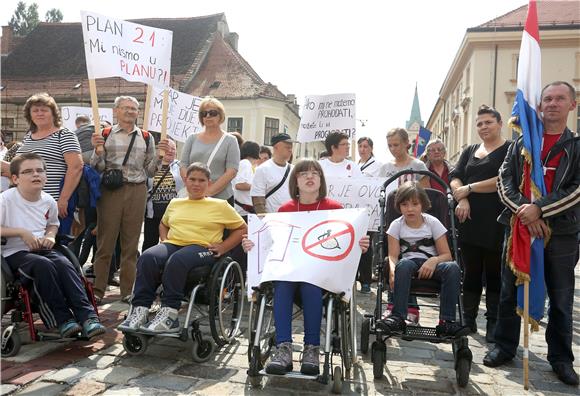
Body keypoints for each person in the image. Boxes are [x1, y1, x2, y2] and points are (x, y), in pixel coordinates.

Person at [484, 82, 579, 386]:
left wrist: (540, 210)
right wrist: (526, 211)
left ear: (572, 105)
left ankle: (561, 359)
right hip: (519, 229)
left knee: (562, 299)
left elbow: (576, 189)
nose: (552, 103)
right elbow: (504, 183)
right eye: (547, 99)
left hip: (562, 234)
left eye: (559, 98)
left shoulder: (576, 146)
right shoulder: (521, 143)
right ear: (539, 105)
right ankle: (504, 346)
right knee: (509, 291)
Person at [242, 159, 370, 375]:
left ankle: (312, 348)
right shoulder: (285, 210)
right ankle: (284, 348)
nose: (310, 177)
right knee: (282, 283)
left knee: (311, 283)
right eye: (303, 174)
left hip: (322, 276)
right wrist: (252, 244)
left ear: (321, 179)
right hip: (289, 272)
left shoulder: (335, 209)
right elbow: (271, 243)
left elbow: (343, 245)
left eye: (314, 173)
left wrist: (359, 245)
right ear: (295, 181)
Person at [119, 162, 246, 333]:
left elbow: (242, 228)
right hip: (174, 244)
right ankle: (140, 309)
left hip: (202, 248)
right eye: (192, 179)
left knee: (178, 260)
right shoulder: (175, 203)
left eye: (201, 180)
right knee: (148, 257)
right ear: (185, 181)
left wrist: (224, 246)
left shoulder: (220, 205)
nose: (196, 184)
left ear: (209, 183)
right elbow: (163, 224)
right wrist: (164, 240)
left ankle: (170, 314)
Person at [0, 153, 105, 339]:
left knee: (65, 264)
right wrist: (21, 232)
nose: (35, 174)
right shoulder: (6, 200)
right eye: (28, 171)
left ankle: (88, 317)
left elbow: (53, 224)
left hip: (43, 248)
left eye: (40, 170)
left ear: (46, 176)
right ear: (15, 178)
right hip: (13, 253)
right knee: (43, 265)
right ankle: (63, 320)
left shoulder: (48, 200)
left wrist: (50, 235)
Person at [90, 96, 169, 304]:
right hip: (111, 191)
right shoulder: (105, 134)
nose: (130, 112)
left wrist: (160, 156)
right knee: (105, 242)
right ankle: (98, 290)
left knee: (131, 243)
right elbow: (96, 167)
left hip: (137, 190)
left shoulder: (146, 136)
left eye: (134, 109)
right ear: (116, 111)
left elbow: (151, 171)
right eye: (126, 108)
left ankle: (127, 291)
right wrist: (97, 150)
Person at [449, 105, 510, 343]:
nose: (483, 127)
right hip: (469, 219)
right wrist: (462, 197)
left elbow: (504, 179)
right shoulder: (471, 149)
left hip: (497, 219)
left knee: (495, 274)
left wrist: (470, 188)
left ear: (499, 123)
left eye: (488, 122)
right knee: (471, 272)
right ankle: (468, 318)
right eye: (479, 123)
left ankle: (493, 322)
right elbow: (455, 176)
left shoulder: (510, 149)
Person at [377, 181, 468, 338]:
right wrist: (392, 269)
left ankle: (447, 322)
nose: (410, 209)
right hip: (408, 265)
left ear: (423, 205)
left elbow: (446, 255)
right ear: (399, 207)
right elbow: (393, 255)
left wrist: (432, 261)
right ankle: (398, 316)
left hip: (432, 265)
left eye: (415, 204)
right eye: (405, 205)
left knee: (453, 267)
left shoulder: (432, 223)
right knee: (403, 264)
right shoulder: (396, 225)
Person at [0, 93, 83, 233]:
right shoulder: (28, 136)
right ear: (30, 115)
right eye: (35, 110)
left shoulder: (64, 134)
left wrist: (63, 199)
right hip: (24, 202)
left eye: (44, 110)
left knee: (52, 244)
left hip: (52, 200)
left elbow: (76, 167)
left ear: (53, 113)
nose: (39, 113)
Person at [380, 127, 429, 323]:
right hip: (392, 221)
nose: (393, 149)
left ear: (406, 143)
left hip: (411, 221)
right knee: (391, 263)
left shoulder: (418, 166)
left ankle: (411, 307)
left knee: (409, 260)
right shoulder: (385, 168)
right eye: (390, 145)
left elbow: (426, 195)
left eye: (396, 145)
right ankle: (392, 305)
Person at [180, 97, 239, 204]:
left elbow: (231, 171)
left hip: (221, 199)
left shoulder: (230, 140)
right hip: (194, 197)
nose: (207, 116)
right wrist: (192, 187)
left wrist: (208, 192)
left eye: (212, 113)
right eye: (204, 113)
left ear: (220, 115)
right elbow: (183, 165)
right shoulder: (191, 138)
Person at [142, 138, 183, 251]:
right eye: (167, 148)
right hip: (153, 213)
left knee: (171, 243)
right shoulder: (151, 167)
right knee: (150, 243)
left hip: (174, 214)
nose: (170, 151)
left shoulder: (181, 167)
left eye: (173, 149)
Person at [251, 133, 295, 214]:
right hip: (272, 219)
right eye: (287, 147)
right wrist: (264, 220)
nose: (290, 150)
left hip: (291, 219)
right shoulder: (263, 169)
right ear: (276, 147)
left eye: (291, 148)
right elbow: (258, 198)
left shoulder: (294, 169)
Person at [233, 141, 260, 217]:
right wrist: (260, 187)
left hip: (246, 211)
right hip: (243, 211)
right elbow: (240, 185)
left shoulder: (247, 165)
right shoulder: (245, 163)